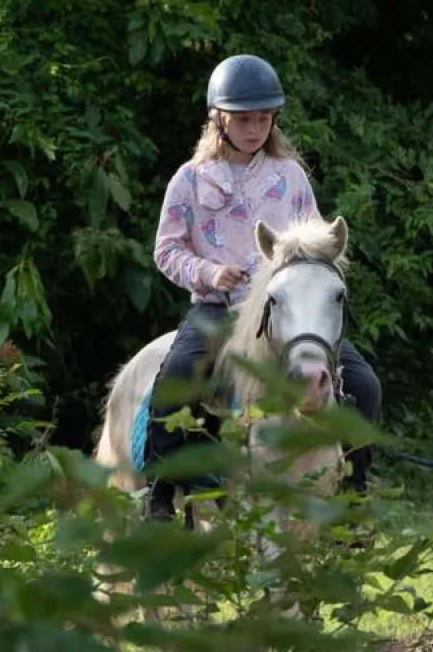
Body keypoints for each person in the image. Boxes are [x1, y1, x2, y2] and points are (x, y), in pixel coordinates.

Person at [144, 54, 383, 521]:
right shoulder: (189, 180)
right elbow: (166, 250)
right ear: (220, 119)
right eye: (244, 119)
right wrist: (210, 274)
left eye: (263, 119)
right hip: (220, 308)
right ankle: (161, 490)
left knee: (365, 385)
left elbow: (316, 244)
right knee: (177, 376)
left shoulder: (289, 177)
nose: (255, 129)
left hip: (287, 313)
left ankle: (353, 487)